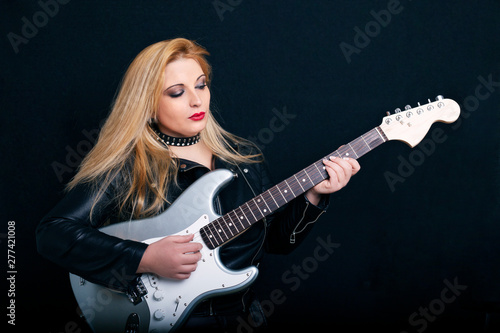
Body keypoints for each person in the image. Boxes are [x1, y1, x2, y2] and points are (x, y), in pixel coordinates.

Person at [36, 38, 360, 331]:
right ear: (147, 104)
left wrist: (314, 195)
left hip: (244, 318)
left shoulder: (243, 158)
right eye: (177, 92)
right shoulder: (128, 165)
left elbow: (275, 242)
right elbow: (52, 233)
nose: (196, 100)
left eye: (201, 85)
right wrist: (144, 257)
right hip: (168, 321)